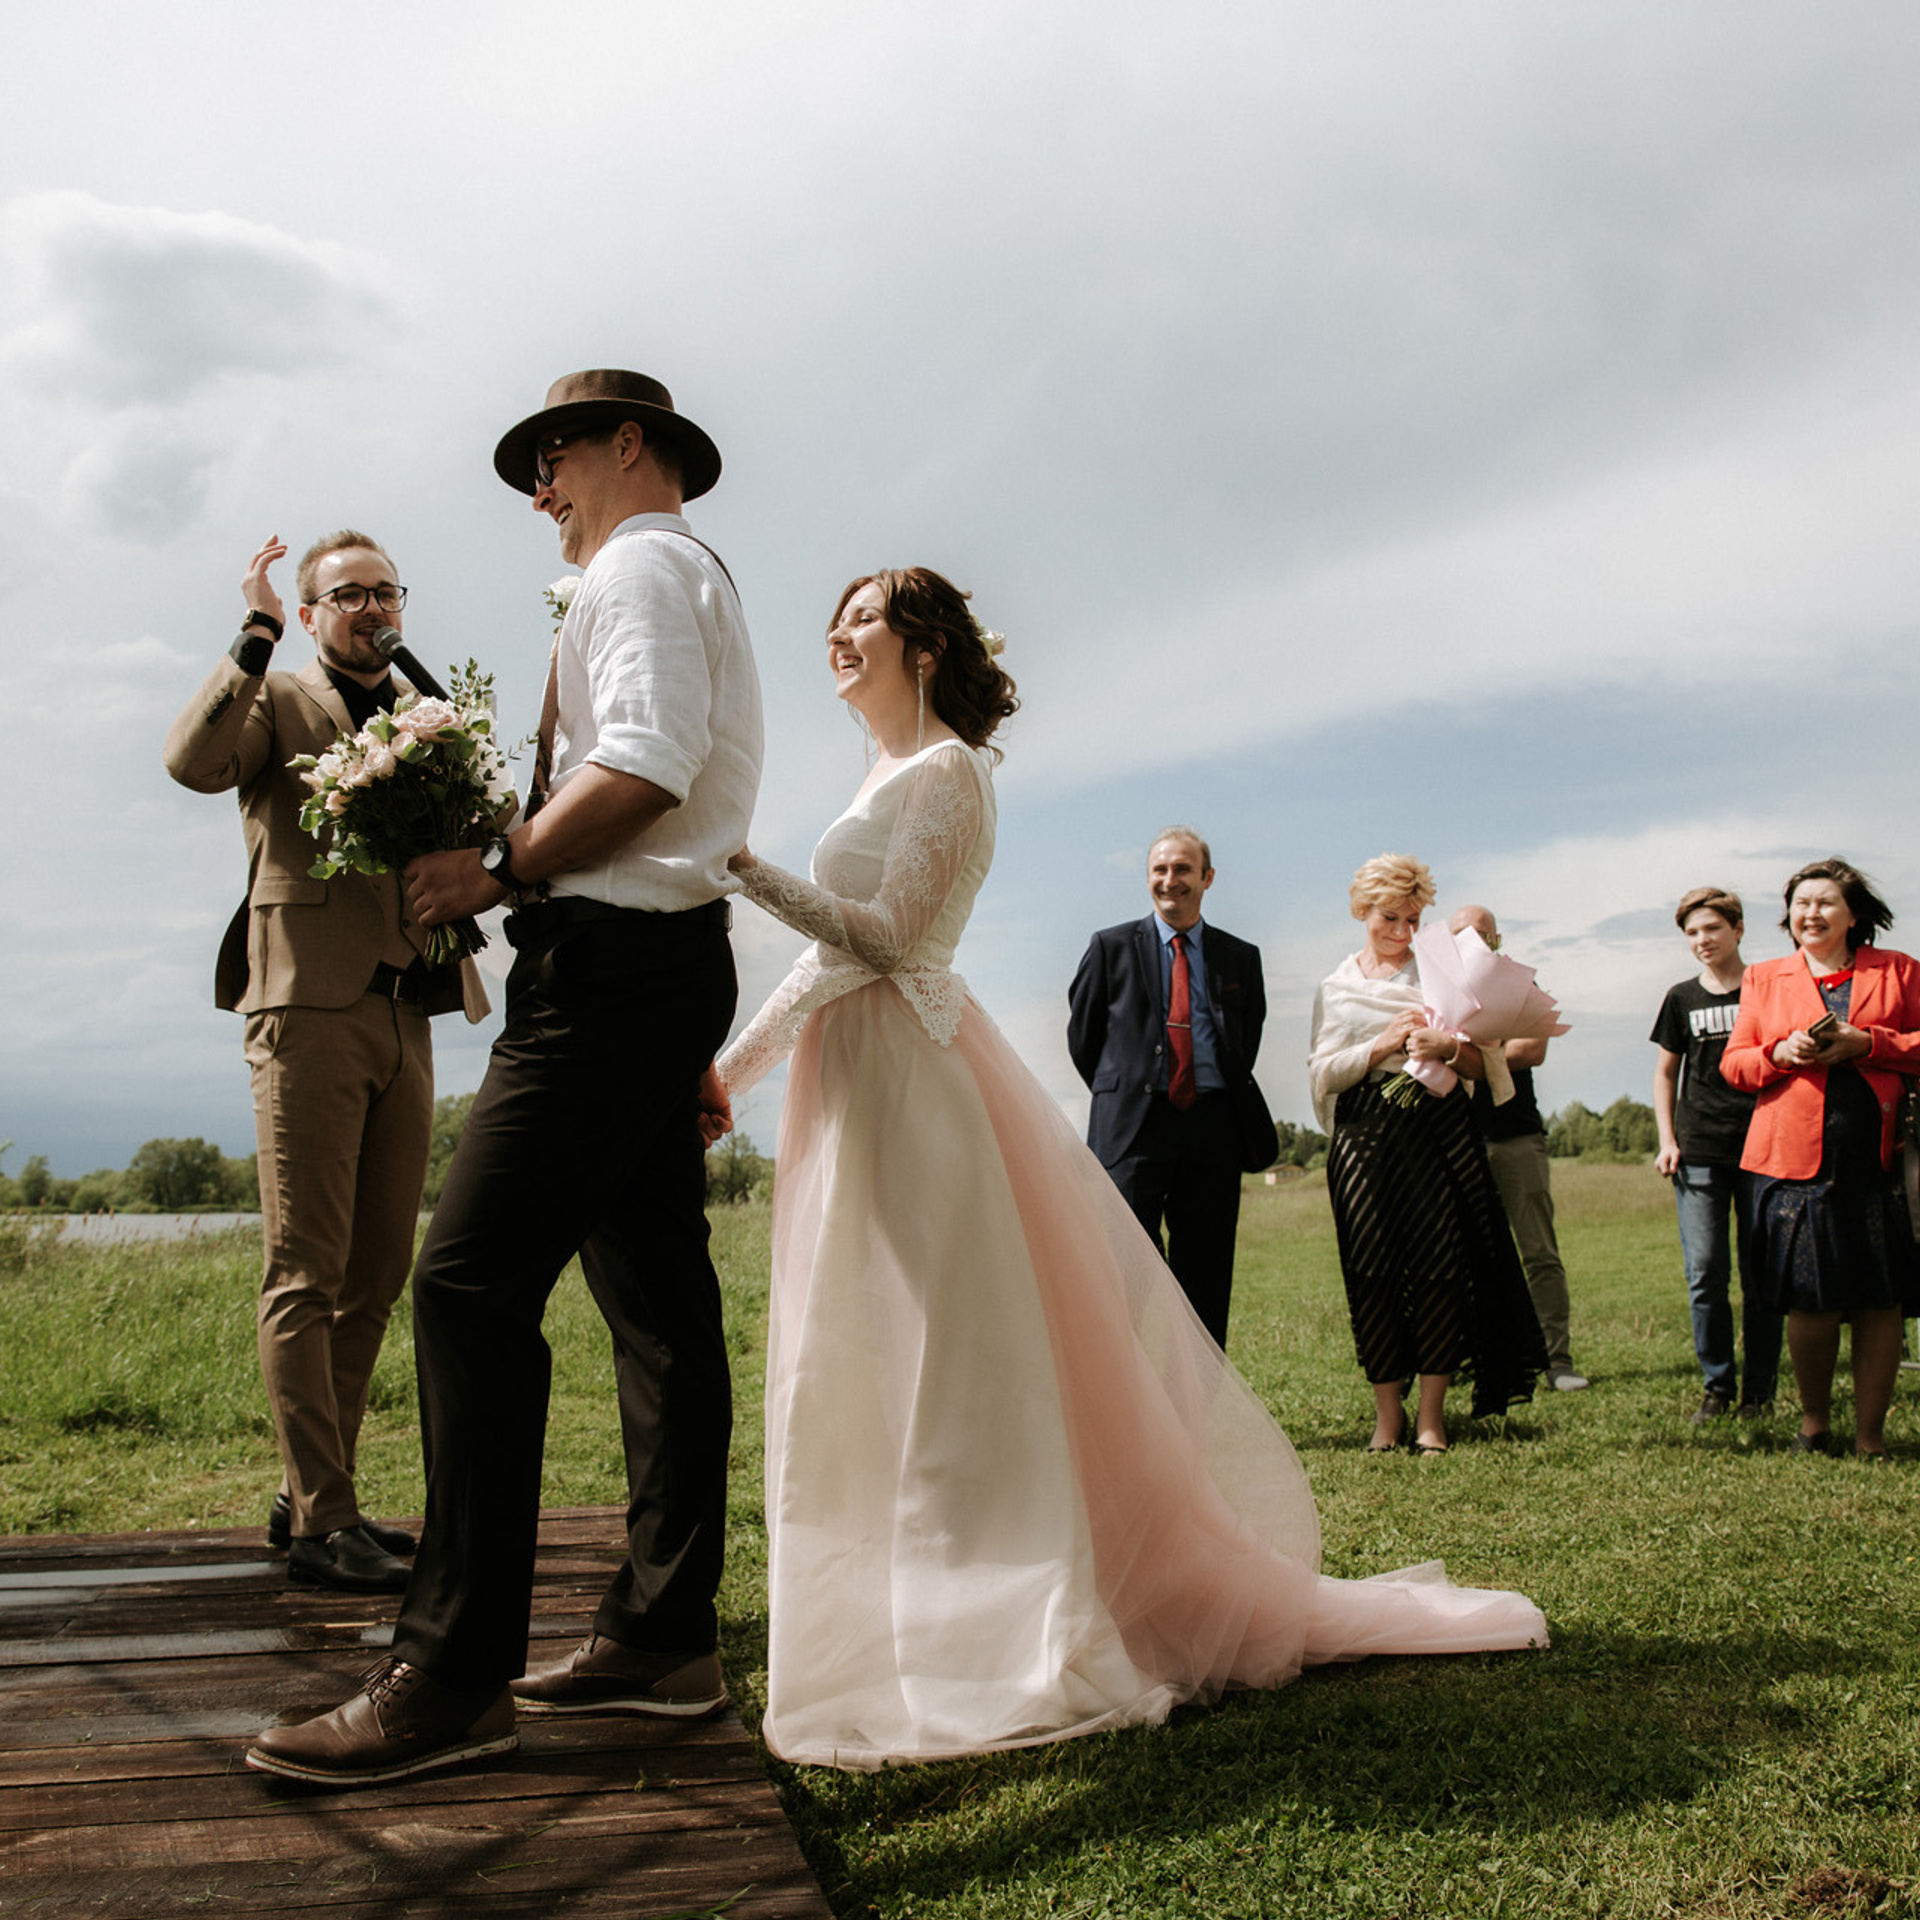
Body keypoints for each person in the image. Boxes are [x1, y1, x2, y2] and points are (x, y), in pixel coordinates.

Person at [711, 572, 1544, 1771]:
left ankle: (1015, 1625)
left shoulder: (952, 770)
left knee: (951, 1356)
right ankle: (909, 1621)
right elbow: (827, 966)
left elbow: (887, 940)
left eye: (864, 618)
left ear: (926, 646)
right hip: (847, 1076)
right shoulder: (878, 777)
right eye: (833, 619)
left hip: (914, 1078)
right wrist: (730, 1072)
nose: (837, 634)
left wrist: (746, 868)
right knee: (869, 1349)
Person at [245, 369, 763, 1785]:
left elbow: (646, 767)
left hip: (609, 974)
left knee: (468, 1287)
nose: (541, 493)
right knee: (659, 1309)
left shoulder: (640, 569)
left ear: (629, 445)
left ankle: (453, 1673)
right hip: (655, 967)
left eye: (555, 460)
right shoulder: (675, 575)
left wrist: (500, 864)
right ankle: (661, 1639)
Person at [163, 531, 488, 1595]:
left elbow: (485, 821)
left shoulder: (423, 710)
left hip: (409, 1009)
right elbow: (192, 764)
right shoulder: (277, 697)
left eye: (387, 590)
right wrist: (250, 633)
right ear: (309, 614)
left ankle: (312, 1490)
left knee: (378, 1272)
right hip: (304, 1004)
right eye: (348, 594)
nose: (372, 607)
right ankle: (323, 1520)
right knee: (305, 1270)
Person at [1309, 858, 1547, 1455]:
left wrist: (1447, 1046)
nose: (1401, 932)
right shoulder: (1335, 988)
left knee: (1439, 1266)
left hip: (1437, 1129)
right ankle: (1387, 1417)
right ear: (1361, 911)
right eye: (1389, 918)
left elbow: (1487, 1065)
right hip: (1363, 1135)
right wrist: (1380, 1045)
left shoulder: (1444, 973)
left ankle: (1432, 1419)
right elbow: (1322, 1072)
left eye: (1413, 920)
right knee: (1370, 1270)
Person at [1719, 858, 1920, 1460]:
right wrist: (1780, 1053)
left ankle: (1870, 1437)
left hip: (1881, 1162)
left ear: (1853, 915)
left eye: (1825, 902)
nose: (1811, 913)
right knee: (1811, 1298)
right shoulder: (1764, 977)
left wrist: (1869, 1043)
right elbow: (1735, 1064)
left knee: (1881, 1300)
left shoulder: (1900, 970)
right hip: (1793, 1166)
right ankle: (1814, 1425)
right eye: (1801, 904)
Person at [1067, 830, 1278, 1346]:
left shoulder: (1240, 957)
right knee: (1125, 1274)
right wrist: (1127, 1089)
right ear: (1148, 878)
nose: (1170, 880)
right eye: (1160, 870)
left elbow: (1244, 1041)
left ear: (1207, 878)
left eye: (1183, 869)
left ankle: (1196, 1396)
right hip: (1132, 1132)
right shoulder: (1110, 947)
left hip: (1212, 1128)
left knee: (1206, 1277)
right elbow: (1084, 1039)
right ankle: (1131, 1393)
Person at [1650, 887, 1781, 1421]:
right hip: (1699, 1150)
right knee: (1705, 1273)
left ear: (1738, 929)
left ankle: (1759, 1393)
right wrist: (1668, 1140)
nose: (1702, 940)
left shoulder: (1767, 989)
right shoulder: (1681, 998)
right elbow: (1665, 1073)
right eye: (1692, 933)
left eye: (1712, 929)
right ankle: (1718, 1387)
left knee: (1761, 1277)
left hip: (1763, 1150)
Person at [1450, 905, 1589, 1393]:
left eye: (1479, 934)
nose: (1469, 942)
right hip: (1458, 1140)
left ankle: (1557, 1361)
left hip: (1516, 1137)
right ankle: (1470, 1360)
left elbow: (1532, 1049)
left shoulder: (1520, 985)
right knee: (1462, 1257)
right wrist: (1485, 1049)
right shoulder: (1438, 989)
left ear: (1496, 939)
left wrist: (1463, 1054)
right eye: (1458, 935)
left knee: (1538, 1253)